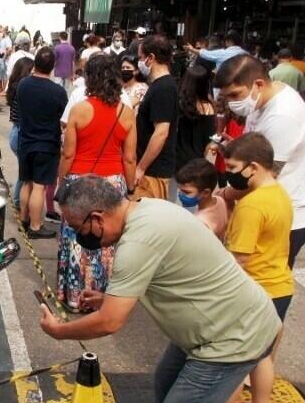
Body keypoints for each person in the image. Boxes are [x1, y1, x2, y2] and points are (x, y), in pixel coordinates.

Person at [38, 174, 281, 403]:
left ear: (97, 217)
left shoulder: (139, 239)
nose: (77, 235)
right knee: (165, 381)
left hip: (231, 337)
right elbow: (159, 274)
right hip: (213, 326)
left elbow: (110, 322)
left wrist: (59, 331)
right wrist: (110, 297)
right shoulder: (146, 209)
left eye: (77, 227)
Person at [213, 132, 294, 403]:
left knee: (238, 359)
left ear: (254, 167)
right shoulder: (280, 194)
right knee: (262, 356)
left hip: (255, 291)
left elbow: (239, 261)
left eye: (233, 167)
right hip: (281, 288)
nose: (229, 172)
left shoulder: (252, 205)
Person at [214, 54, 305, 268]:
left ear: (257, 84)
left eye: (235, 95)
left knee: (263, 288)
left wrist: (223, 195)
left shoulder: (283, 116)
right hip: (261, 212)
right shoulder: (263, 99)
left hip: (280, 220)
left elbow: (264, 174)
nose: (232, 103)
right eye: (227, 97)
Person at [56, 55, 136, 312]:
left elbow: (68, 154)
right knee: (108, 240)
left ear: (89, 77)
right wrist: (131, 188)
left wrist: (61, 184)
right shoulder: (127, 112)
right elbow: (130, 156)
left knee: (76, 239)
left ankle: (74, 295)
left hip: (81, 180)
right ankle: (104, 297)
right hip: (114, 182)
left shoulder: (80, 109)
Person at [17, 47, 67, 238]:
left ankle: (24, 219)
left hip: (26, 141)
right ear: (52, 66)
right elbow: (64, 119)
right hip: (46, 144)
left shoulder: (23, 85)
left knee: (26, 182)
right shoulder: (58, 91)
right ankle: (36, 227)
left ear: (35, 62)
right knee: (39, 186)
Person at [134, 35, 178, 200]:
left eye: (140, 58)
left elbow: (161, 132)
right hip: (151, 170)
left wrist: (141, 167)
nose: (139, 63)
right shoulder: (159, 85)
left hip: (153, 172)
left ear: (151, 58)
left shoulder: (163, 88)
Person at [175, 65, 216, 178]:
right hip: (196, 163)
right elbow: (209, 140)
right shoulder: (208, 107)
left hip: (176, 159)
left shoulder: (177, 104)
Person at [175, 158, 228, 241]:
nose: (180, 195)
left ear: (206, 193)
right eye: (180, 190)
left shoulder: (200, 223)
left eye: (186, 192)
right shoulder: (219, 200)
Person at [7, 57, 35, 208]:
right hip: (20, 133)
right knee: (25, 174)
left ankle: (18, 200)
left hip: (15, 132)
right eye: (32, 70)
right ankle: (18, 201)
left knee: (24, 172)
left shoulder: (15, 86)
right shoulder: (23, 89)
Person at [0, 26, 12, 95]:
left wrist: (4, 58)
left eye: (1, 32)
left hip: (4, 61)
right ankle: (1, 89)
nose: (0, 33)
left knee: (3, 76)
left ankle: (4, 91)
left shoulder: (7, 39)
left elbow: (9, 49)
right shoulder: (1, 39)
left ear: (5, 32)